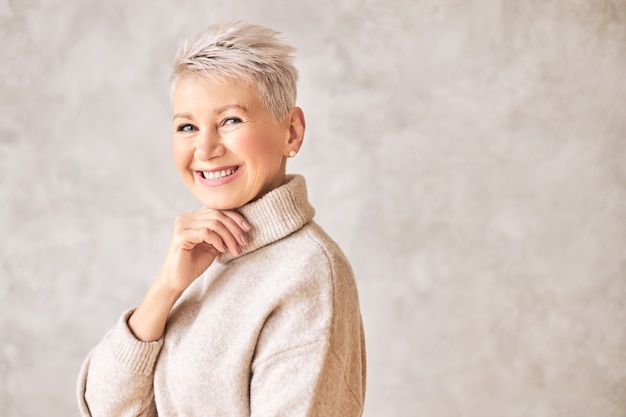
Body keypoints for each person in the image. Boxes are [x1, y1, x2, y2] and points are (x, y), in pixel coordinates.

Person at [76, 21, 366, 417]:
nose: (206, 148)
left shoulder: (308, 273)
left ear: (292, 132)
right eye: (187, 126)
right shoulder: (207, 260)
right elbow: (103, 407)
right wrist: (166, 287)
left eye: (230, 120)